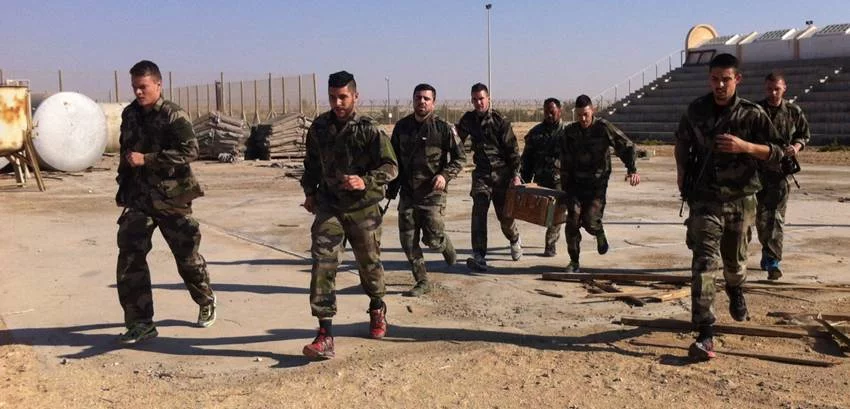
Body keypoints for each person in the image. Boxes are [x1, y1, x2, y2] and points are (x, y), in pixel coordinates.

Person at [675, 53, 783, 361]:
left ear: (738, 80)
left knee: (735, 264)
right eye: (714, 79)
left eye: (726, 79)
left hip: (741, 199)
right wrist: (681, 171)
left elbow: (777, 153)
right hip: (705, 199)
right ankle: (705, 331)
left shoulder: (753, 115)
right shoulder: (696, 110)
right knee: (704, 263)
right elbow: (681, 141)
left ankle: (736, 289)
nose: (720, 85)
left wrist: (745, 146)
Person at [115, 60, 216, 344]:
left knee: (186, 257)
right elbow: (126, 154)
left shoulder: (174, 115)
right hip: (140, 199)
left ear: (158, 85)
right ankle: (141, 322)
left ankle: (205, 298)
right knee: (130, 258)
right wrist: (123, 190)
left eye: (143, 86)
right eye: (134, 86)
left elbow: (190, 151)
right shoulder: (129, 115)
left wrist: (147, 159)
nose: (138, 92)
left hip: (172, 198)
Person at [300, 71, 398, 359]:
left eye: (343, 96)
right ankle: (325, 332)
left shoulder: (369, 129)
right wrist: (309, 192)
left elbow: (391, 167)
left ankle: (377, 306)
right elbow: (311, 165)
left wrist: (365, 181)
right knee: (322, 263)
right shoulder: (319, 128)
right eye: (332, 97)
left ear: (356, 96)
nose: (337, 102)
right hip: (330, 206)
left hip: (363, 208)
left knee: (369, 265)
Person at [386, 83, 465, 296]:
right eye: (418, 98)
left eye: (426, 98)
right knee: (408, 240)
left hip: (433, 193)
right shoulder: (402, 128)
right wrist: (391, 186)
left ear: (433, 102)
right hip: (408, 193)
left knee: (433, 237)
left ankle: (444, 244)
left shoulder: (444, 128)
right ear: (413, 101)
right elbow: (393, 161)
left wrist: (444, 175)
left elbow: (460, 158)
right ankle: (422, 281)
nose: (421, 102)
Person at [559, 95, 640, 273]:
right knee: (572, 220)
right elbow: (563, 160)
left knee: (590, 221)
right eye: (579, 115)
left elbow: (626, 146)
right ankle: (574, 261)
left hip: (596, 186)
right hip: (576, 185)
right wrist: (562, 188)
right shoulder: (570, 132)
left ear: (592, 111)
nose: (582, 119)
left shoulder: (603, 128)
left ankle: (599, 232)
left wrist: (632, 169)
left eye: (586, 115)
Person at [456, 83, 523, 272]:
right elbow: (456, 139)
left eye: (482, 99)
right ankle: (479, 255)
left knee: (505, 218)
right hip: (482, 175)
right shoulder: (468, 120)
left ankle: (514, 238)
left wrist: (516, 176)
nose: (479, 103)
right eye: (475, 99)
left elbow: (513, 152)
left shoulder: (500, 121)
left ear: (488, 99)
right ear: (472, 100)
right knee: (479, 211)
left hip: (502, 177)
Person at [755, 71, 810, 280]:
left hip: (780, 175)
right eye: (769, 89)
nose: (773, 93)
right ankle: (766, 249)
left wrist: (796, 147)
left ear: (784, 88)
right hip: (757, 173)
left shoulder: (793, 111)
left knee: (775, 219)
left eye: (777, 89)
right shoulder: (756, 111)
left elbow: (803, 134)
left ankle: (773, 261)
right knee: (760, 219)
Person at [520, 98, 567, 257]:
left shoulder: (568, 133)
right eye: (546, 112)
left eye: (552, 111)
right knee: (540, 213)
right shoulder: (535, 133)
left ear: (560, 111)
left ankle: (550, 244)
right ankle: (516, 239)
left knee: (557, 212)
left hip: (560, 180)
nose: (549, 115)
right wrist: (524, 181)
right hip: (541, 179)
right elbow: (527, 159)